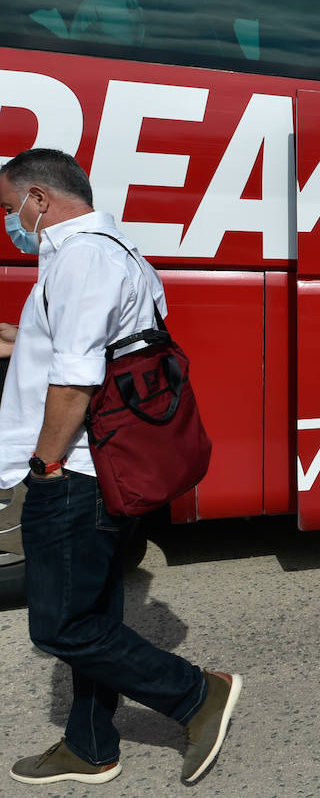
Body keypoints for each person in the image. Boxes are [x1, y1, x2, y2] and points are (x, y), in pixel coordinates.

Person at [0, 149, 241, 785]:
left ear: (39, 200)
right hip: (93, 471)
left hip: (77, 474)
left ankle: (195, 695)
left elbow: (77, 379)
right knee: (93, 616)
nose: (10, 222)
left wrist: (45, 468)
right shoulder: (108, 252)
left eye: (9, 208)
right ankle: (89, 744)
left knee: (61, 627)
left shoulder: (84, 258)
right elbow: (79, 345)